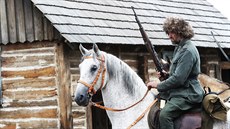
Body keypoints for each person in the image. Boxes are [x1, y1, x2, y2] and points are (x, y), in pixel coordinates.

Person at [147, 17, 204, 129]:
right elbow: (179, 73)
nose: (169, 36)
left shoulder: (187, 50)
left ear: (180, 32)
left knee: (164, 115)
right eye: (168, 33)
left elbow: (179, 79)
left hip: (188, 94)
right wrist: (166, 75)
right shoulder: (180, 48)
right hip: (180, 91)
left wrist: (158, 85)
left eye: (171, 32)